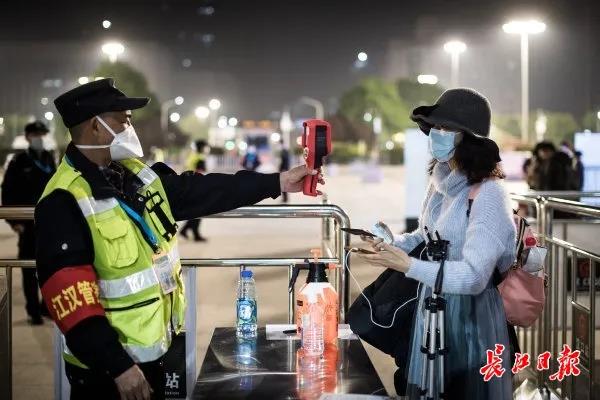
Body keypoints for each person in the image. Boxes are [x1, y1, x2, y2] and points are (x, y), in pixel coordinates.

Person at [35, 78, 322, 400]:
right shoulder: (64, 200)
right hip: (108, 373)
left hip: (153, 354)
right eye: (122, 118)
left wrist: (278, 181)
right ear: (95, 127)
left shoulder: (133, 175)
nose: (130, 125)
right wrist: (118, 368)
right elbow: (72, 302)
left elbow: (201, 191)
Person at [356, 88, 516, 399]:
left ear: (468, 139)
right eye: (435, 128)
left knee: (463, 390)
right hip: (432, 310)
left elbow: (473, 276)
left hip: (472, 319)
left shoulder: (490, 195)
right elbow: (423, 236)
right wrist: (389, 243)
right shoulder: (441, 182)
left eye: (445, 129)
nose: (435, 135)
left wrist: (409, 266)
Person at [1, 120, 56, 325]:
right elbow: (8, 193)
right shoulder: (19, 162)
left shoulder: (50, 159)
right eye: (36, 135)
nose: (40, 138)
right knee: (28, 269)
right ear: (28, 137)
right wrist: (14, 221)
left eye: (42, 134)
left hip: (49, 226)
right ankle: (33, 310)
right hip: (27, 225)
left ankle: (46, 306)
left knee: (49, 267)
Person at [180, 139, 209, 241]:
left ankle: (189, 231)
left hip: (188, 184)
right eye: (206, 147)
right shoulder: (200, 157)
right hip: (196, 186)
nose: (207, 149)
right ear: (202, 147)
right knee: (199, 210)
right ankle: (192, 232)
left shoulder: (192, 156)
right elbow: (200, 171)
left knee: (196, 210)